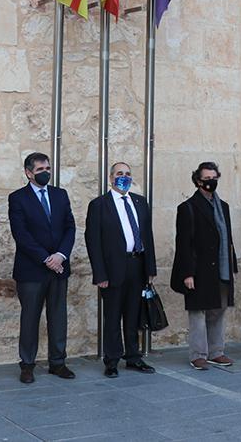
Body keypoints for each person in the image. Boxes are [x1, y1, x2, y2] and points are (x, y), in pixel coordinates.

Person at [8, 152, 76, 383]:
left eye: (47, 167)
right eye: (40, 169)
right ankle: (27, 364)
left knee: (58, 316)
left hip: (59, 267)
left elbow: (70, 227)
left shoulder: (60, 195)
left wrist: (60, 256)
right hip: (32, 270)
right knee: (30, 318)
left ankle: (58, 362)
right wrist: (47, 259)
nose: (45, 172)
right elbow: (21, 234)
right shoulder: (18, 198)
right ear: (28, 173)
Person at [86, 162, 158, 378]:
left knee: (134, 314)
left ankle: (134, 357)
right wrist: (100, 274)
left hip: (137, 264)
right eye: (119, 174)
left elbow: (148, 236)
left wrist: (150, 267)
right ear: (110, 178)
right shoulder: (99, 205)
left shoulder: (140, 202)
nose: (123, 177)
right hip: (112, 269)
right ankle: (112, 360)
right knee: (113, 315)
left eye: (127, 174)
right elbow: (93, 241)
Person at [171, 162, 237, 370]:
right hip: (199, 269)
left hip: (221, 268)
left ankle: (216, 351)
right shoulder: (188, 208)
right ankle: (198, 354)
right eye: (207, 178)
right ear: (198, 181)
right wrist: (187, 273)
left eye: (214, 177)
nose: (211, 182)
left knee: (219, 309)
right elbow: (183, 244)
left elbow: (228, 239)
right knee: (198, 312)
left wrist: (232, 265)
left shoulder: (223, 206)